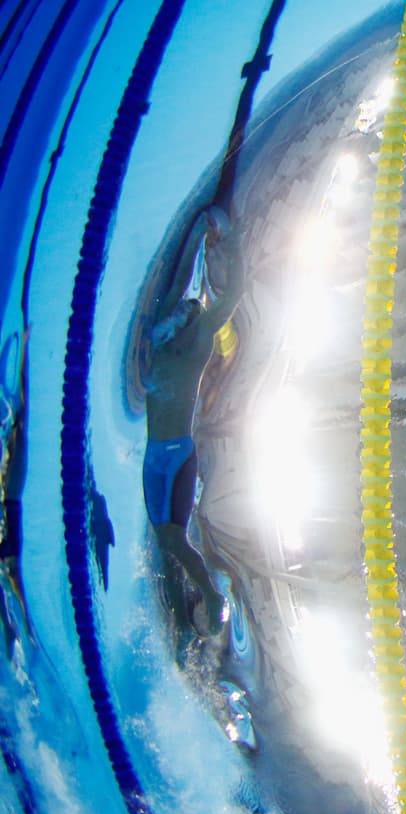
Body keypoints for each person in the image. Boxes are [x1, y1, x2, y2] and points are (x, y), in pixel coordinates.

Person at [144, 205, 242, 639]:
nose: (186, 313)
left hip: (176, 456)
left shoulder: (199, 341)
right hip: (167, 456)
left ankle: (200, 605)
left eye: (190, 311)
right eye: (183, 311)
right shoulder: (161, 340)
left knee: (171, 542)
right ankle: (195, 609)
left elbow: (233, 296)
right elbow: (181, 270)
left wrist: (231, 246)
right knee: (169, 543)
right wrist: (206, 230)